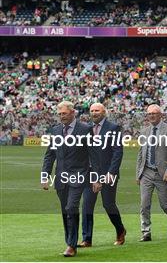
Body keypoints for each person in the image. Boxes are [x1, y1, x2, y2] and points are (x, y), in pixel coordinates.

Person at [41, 101, 100, 257]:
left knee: (71, 207)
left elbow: (94, 155)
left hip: (79, 176)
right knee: (64, 210)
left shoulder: (86, 129)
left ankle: (71, 245)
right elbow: (49, 155)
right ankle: (70, 241)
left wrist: (96, 178)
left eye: (64, 113)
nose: (62, 117)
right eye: (59, 114)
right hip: (60, 177)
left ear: (73, 112)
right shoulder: (54, 131)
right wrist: (45, 175)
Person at [79, 103, 126, 248]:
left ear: (104, 112)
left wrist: (110, 174)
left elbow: (117, 153)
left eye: (97, 110)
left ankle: (120, 230)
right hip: (90, 174)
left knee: (108, 204)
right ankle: (87, 239)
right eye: (92, 111)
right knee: (86, 205)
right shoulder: (86, 129)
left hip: (108, 174)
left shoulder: (113, 128)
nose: (94, 113)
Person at [136, 104, 167, 241]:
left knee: (165, 205)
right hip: (146, 173)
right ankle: (146, 232)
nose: (151, 116)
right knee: (144, 204)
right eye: (149, 114)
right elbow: (140, 153)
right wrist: (138, 173)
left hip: (162, 174)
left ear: (160, 115)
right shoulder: (144, 131)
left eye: (154, 113)